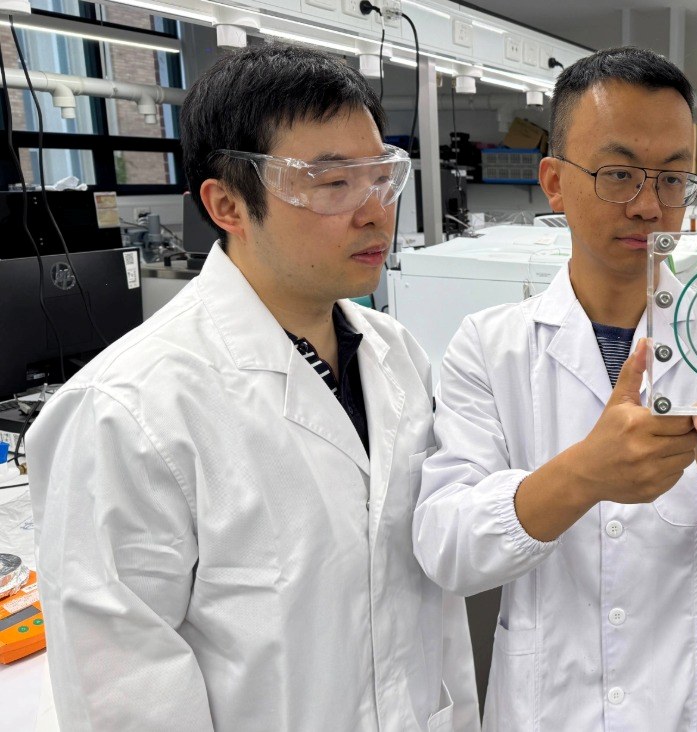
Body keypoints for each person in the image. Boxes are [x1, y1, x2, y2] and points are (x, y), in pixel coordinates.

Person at [26, 44, 475, 731]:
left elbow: (425, 604)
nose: (375, 212)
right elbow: (124, 696)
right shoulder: (130, 411)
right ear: (228, 203)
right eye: (331, 183)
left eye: (381, 176)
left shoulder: (395, 355)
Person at [413, 47, 697, 730]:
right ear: (553, 182)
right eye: (617, 175)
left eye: (673, 180)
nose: (647, 206)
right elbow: (448, 549)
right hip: (554, 705)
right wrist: (583, 475)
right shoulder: (491, 347)